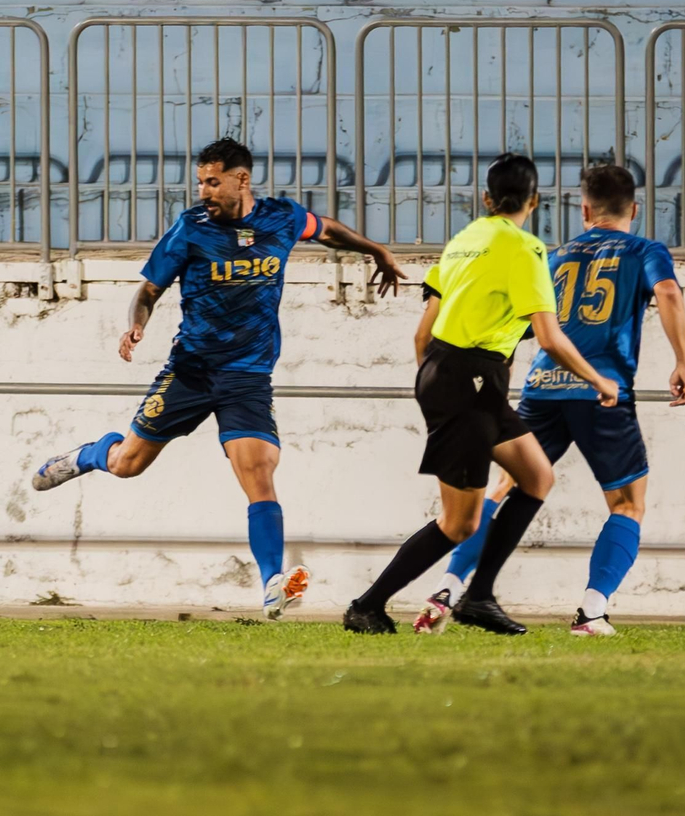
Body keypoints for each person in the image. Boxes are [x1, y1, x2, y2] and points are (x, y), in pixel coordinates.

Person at [30, 136, 407, 619]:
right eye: (202, 182)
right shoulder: (190, 229)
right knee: (127, 464)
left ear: (241, 179)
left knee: (259, 474)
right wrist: (137, 324)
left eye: (213, 182)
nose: (204, 191)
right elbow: (148, 290)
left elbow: (327, 229)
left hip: (247, 376)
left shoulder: (281, 218)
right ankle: (88, 454)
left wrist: (376, 251)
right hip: (191, 370)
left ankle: (273, 583)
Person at [412, 164, 685, 636]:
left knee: (504, 488)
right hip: (600, 389)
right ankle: (592, 611)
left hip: (542, 387)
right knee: (627, 502)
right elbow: (667, 292)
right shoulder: (645, 250)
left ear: (584, 209)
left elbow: (526, 323)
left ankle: (447, 587)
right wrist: (683, 360)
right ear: (635, 209)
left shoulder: (554, 256)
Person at [343, 153, 618, 635]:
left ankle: (479, 596)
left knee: (536, 476)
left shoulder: (463, 241)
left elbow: (420, 337)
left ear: (486, 199)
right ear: (535, 201)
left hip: (458, 376)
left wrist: (440, 386)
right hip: (470, 380)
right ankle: (367, 605)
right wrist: (599, 381)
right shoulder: (526, 248)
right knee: (458, 524)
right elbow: (549, 336)